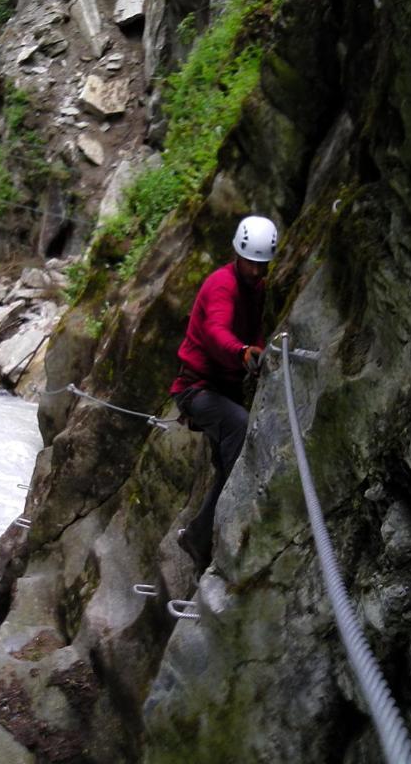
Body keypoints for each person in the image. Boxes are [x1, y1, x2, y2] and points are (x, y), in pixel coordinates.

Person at [170, 215, 277, 577]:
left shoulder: (256, 289)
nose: (256, 271)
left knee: (226, 466)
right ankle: (212, 534)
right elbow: (216, 330)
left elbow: (256, 330)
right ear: (238, 255)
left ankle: (199, 538)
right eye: (251, 263)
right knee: (241, 433)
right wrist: (242, 351)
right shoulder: (222, 285)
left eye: (262, 265)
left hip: (223, 390)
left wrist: (256, 348)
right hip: (195, 389)